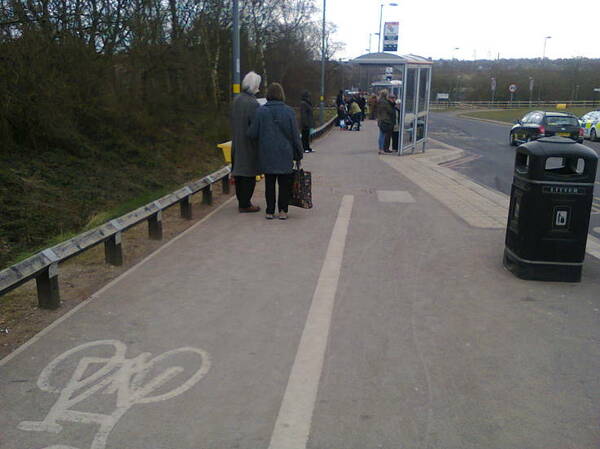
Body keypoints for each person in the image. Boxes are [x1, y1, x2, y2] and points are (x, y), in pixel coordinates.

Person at [248, 83, 303, 220]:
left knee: (270, 183)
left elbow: (252, 133)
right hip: (285, 153)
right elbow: (295, 135)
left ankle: (270, 211)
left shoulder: (260, 111)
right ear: (281, 94)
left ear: (268, 95)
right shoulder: (289, 111)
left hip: (267, 153)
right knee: (284, 184)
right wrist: (299, 153)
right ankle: (283, 211)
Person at [230, 71, 262, 212]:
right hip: (249, 143)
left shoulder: (236, 100)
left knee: (239, 172)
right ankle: (245, 203)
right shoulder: (253, 103)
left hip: (237, 141)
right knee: (249, 173)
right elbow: (255, 127)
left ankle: (241, 201)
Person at [376, 89, 395, 154]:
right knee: (383, 135)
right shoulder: (385, 102)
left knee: (381, 135)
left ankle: (380, 148)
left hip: (380, 119)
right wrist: (392, 103)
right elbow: (390, 111)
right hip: (385, 120)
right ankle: (382, 149)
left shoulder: (379, 101)